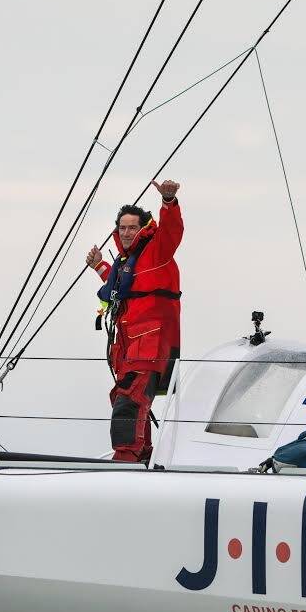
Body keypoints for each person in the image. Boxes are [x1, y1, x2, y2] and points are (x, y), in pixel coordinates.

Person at [86, 179, 183, 462]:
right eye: (122, 228)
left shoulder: (157, 250)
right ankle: (142, 455)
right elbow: (122, 287)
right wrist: (100, 266)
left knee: (130, 400)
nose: (126, 232)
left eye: (132, 227)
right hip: (129, 346)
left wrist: (168, 202)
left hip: (151, 344)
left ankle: (125, 459)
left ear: (143, 227)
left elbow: (172, 231)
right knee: (126, 398)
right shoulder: (126, 260)